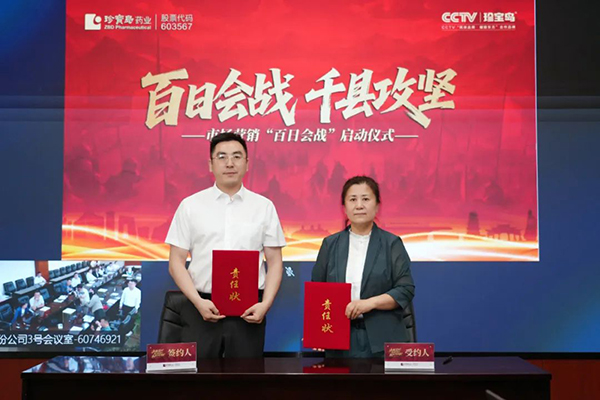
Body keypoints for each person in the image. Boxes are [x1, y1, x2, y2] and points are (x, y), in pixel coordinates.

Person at [165, 132, 286, 358]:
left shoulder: (264, 207)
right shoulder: (190, 206)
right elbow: (176, 262)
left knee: (245, 376)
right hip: (200, 307)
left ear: (247, 163)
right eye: (222, 157)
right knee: (200, 376)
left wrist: (265, 304)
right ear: (210, 164)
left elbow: (275, 262)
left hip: (249, 312)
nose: (230, 163)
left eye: (237, 156)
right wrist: (198, 302)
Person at [311, 176, 415, 358]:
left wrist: (368, 304)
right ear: (344, 208)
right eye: (353, 199)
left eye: (365, 199)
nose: (359, 205)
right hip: (339, 340)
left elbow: (405, 289)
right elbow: (318, 292)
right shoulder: (330, 244)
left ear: (377, 206)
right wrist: (318, 332)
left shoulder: (391, 244)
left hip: (382, 339)